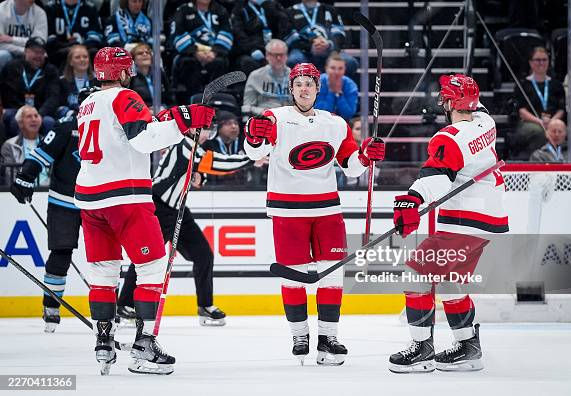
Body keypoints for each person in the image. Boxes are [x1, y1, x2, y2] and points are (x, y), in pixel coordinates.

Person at [75, 46, 215, 375]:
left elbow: (128, 132)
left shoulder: (87, 104)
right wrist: (184, 122)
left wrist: (175, 118)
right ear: (123, 73)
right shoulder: (125, 97)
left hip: (91, 201)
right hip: (126, 197)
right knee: (152, 267)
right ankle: (145, 344)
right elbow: (143, 139)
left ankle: (103, 342)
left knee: (104, 274)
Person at [243, 63, 385, 365]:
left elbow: (351, 166)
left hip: (327, 209)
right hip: (287, 209)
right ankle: (299, 335)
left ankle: (328, 339)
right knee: (293, 277)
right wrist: (253, 138)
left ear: (317, 89)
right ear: (291, 89)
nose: (304, 89)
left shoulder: (335, 123)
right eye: (298, 84)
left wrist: (365, 155)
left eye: (309, 84)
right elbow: (254, 154)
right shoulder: (275, 118)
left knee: (332, 274)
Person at [388, 74, 508, 373]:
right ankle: (468, 347)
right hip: (485, 216)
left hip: (466, 218)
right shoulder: (486, 123)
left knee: (415, 276)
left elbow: (436, 177)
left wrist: (411, 200)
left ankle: (422, 351)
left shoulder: (450, 137)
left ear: (450, 102)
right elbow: (476, 111)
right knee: (451, 281)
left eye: (445, 99)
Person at [117, 124, 254, 326]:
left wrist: (201, 176)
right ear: (192, 129)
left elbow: (198, 173)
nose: (209, 133)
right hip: (159, 208)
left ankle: (205, 306)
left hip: (178, 209)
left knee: (203, 255)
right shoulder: (184, 144)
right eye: (206, 128)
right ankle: (124, 305)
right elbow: (216, 164)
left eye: (211, 129)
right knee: (146, 258)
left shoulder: (191, 147)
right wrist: (251, 158)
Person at [9, 87, 98, 333]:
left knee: (105, 257)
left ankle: (109, 308)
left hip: (96, 202)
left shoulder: (107, 129)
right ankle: (51, 305)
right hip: (63, 202)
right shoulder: (67, 126)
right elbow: (42, 154)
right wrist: (25, 177)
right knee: (61, 254)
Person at [170, 0, 233, 103]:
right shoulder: (183, 10)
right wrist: (195, 52)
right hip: (190, 53)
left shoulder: (220, 10)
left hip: (214, 52)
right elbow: (177, 33)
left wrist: (215, 51)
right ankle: (192, 102)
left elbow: (227, 32)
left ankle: (215, 103)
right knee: (188, 63)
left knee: (220, 62)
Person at [0, 37, 60, 138]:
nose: (38, 55)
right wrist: (25, 114)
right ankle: (16, 149)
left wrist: (38, 114)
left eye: (41, 52)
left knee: (49, 122)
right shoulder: (12, 67)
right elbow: (7, 94)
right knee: (12, 117)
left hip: (40, 111)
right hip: (17, 109)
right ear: (26, 51)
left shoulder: (51, 70)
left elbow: (53, 97)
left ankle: (45, 152)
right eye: (35, 52)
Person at [512, 47, 565, 160]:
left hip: (553, 121)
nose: (541, 63)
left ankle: (559, 161)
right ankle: (535, 162)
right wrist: (540, 122)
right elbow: (522, 111)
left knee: (558, 131)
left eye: (544, 59)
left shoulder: (556, 84)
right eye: (537, 60)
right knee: (538, 131)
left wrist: (552, 122)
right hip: (530, 122)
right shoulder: (523, 84)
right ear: (531, 62)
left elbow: (561, 108)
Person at [284, 0, 358, 79]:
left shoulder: (330, 9)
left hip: (329, 49)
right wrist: (310, 46)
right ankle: (302, 89)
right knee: (293, 60)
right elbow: (290, 37)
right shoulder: (289, 12)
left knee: (350, 62)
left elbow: (340, 33)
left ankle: (336, 89)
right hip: (303, 51)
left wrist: (329, 44)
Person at [230, 0, 289, 76]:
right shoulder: (239, 9)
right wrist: (252, 49)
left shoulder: (272, 6)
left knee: (289, 59)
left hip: (273, 46)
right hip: (250, 50)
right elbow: (239, 34)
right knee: (247, 62)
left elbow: (284, 26)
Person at [242, 39, 292, 117]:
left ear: (286, 56)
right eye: (275, 55)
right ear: (267, 56)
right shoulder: (255, 76)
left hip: (288, 120)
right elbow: (247, 107)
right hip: (263, 119)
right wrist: (264, 112)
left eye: (281, 55)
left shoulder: (295, 76)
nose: (279, 58)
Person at [45, 0, 103, 67]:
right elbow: (49, 37)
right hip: (60, 50)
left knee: (95, 52)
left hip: (85, 48)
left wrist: (80, 47)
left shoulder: (90, 8)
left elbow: (95, 37)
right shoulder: (50, 8)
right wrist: (66, 46)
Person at [1, 104, 49, 184]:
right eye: (29, 116)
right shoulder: (9, 145)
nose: (34, 119)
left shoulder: (49, 143)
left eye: (36, 116)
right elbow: (10, 175)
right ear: (20, 123)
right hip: (21, 191)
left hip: (46, 190)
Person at [0, 0, 48, 71]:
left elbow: (39, 43)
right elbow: (1, 44)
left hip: (32, 56)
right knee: (2, 55)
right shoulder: (1, 9)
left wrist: (12, 39)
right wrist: (25, 51)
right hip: (10, 52)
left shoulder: (40, 13)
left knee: (39, 57)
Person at [129, 42, 173, 110]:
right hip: (142, 115)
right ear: (134, 59)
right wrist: (146, 110)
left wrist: (165, 108)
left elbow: (171, 98)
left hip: (164, 112)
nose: (145, 54)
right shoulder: (131, 78)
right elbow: (130, 104)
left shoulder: (159, 73)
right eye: (140, 53)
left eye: (148, 52)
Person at [315, 52, 358, 121]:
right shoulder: (317, 83)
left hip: (343, 123)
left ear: (344, 70)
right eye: (333, 68)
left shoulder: (351, 85)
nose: (336, 72)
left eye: (340, 68)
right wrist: (331, 92)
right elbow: (320, 113)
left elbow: (348, 114)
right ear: (326, 68)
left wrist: (339, 94)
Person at [58, 45, 97, 117]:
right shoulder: (62, 82)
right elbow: (58, 106)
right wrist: (70, 114)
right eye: (77, 57)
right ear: (71, 62)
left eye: (85, 57)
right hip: (70, 119)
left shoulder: (97, 81)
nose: (82, 59)